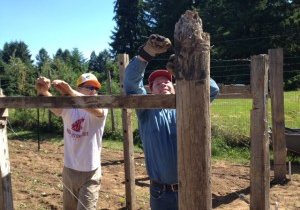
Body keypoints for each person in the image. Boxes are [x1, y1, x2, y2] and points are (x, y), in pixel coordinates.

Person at [124, 34, 219, 210]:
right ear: (150, 91)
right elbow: (131, 84)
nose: (163, 84)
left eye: (168, 81)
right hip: (161, 194)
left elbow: (212, 90)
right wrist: (146, 54)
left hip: (194, 189)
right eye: (157, 83)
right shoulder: (146, 111)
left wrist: (187, 68)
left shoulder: (189, 106)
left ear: (175, 87)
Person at [35, 73, 108, 210]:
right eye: (89, 87)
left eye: (96, 88)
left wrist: (70, 92)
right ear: (79, 89)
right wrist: (43, 91)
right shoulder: (68, 107)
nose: (94, 91)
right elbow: (54, 106)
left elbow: (97, 111)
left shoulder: (101, 106)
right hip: (69, 170)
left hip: (90, 173)